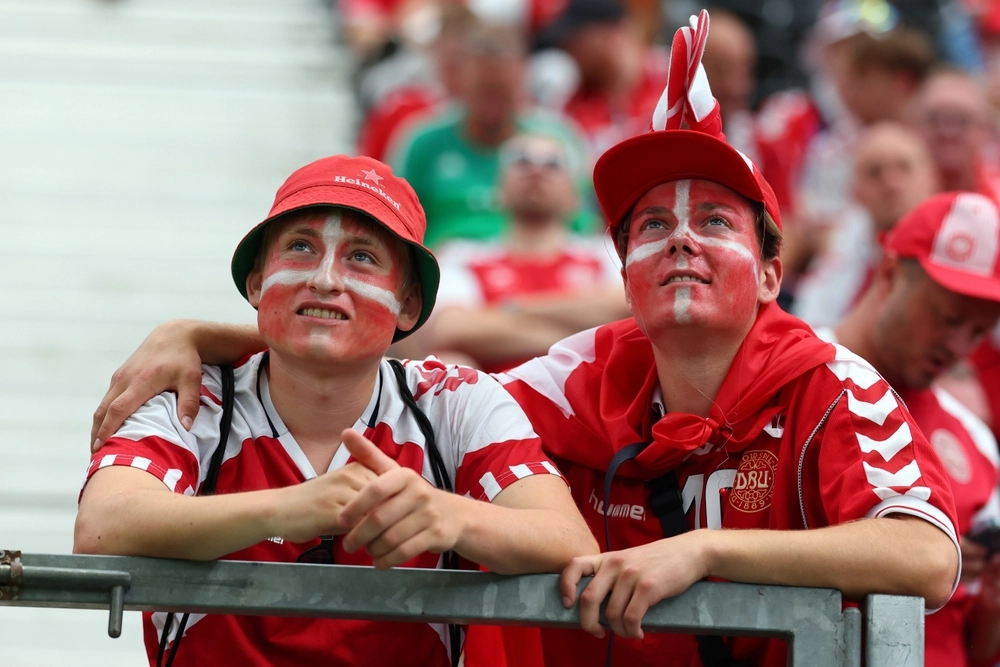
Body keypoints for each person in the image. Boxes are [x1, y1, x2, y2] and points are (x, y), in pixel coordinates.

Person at [88, 12, 961, 667]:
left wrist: (704, 548)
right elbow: (379, 363)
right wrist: (202, 332)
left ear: (773, 275)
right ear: (623, 276)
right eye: (651, 225)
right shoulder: (573, 376)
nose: (681, 239)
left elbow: (925, 554)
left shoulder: (831, 383)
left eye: (715, 223)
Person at [74, 154, 598, 667]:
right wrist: (290, 509)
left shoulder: (454, 400)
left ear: (408, 306)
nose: (325, 279)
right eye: (300, 248)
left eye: (362, 257)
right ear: (256, 284)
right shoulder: (190, 392)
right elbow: (101, 528)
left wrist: (449, 514)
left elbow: (568, 539)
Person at [828, 191, 1000, 667]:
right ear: (887, 273)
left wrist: (991, 600)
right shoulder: (795, 372)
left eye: (980, 332)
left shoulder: (974, 439)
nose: (959, 346)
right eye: (947, 318)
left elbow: (978, 647)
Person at [415, 132, 627, 372]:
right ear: (498, 190)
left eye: (553, 164)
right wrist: (583, 340)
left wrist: (512, 309)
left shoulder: (604, 253)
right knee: (448, 362)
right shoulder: (463, 256)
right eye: (521, 161)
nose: (536, 171)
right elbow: (452, 329)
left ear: (575, 196)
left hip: (588, 400)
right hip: (495, 401)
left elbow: (627, 307)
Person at [387, 18, 594, 248]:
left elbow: (583, 225)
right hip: (447, 274)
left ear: (522, 81)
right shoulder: (422, 141)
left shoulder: (558, 140)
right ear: (461, 81)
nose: (493, 104)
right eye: (484, 91)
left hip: (538, 270)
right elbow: (396, 228)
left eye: (503, 91)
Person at [792, 121, 938, 328]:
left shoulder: (958, 243)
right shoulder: (842, 247)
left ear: (931, 178)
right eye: (874, 172)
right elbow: (810, 323)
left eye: (904, 167)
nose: (891, 183)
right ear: (855, 192)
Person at [911, 68, 1000, 202]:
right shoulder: (892, 194)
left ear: (985, 130)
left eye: (962, 120)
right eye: (934, 119)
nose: (948, 131)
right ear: (914, 127)